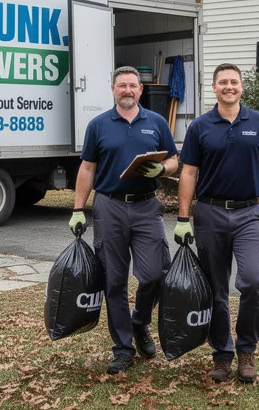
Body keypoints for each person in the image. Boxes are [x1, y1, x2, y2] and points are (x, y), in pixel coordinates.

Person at [175, 64, 259, 384]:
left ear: (241, 87)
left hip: (248, 213)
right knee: (215, 289)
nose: (229, 86)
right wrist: (183, 217)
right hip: (210, 213)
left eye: (234, 82)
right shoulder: (200, 126)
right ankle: (222, 354)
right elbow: (188, 173)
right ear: (214, 87)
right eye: (223, 82)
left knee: (254, 280)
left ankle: (247, 349)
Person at [71, 66, 179, 376]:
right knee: (113, 281)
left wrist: (163, 170)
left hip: (147, 207)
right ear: (113, 90)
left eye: (133, 85)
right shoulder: (98, 125)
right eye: (122, 86)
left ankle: (139, 322)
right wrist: (78, 209)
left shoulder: (156, 122)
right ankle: (122, 348)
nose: (128, 90)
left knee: (156, 273)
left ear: (140, 90)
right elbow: (87, 169)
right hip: (109, 208)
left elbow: (172, 158)